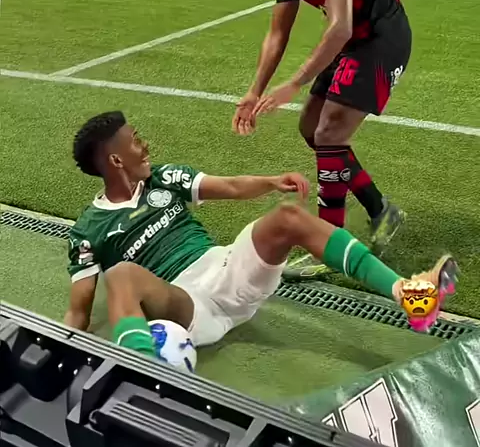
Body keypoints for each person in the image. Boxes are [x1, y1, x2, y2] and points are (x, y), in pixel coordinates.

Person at [64, 112, 457, 358]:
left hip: (227, 271)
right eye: (135, 140)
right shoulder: (88, 230)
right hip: (186, 306)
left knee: (287, 217)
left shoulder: (164, 178)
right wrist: (59, 353)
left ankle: (410, 295)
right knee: (121, 275)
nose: (145, 144)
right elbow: (78, 314)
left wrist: (271, 182)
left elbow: (230, 186)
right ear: (116, 159)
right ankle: (137, 372)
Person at [232, 0, 412, 257]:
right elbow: (277, 34)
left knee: (329, 133)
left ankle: (330, 247)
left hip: (382, 39)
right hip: (351, 43)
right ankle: (381, 210)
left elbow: (340, 26)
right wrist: (254, 91)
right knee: (312, 128)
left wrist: (296, 82)